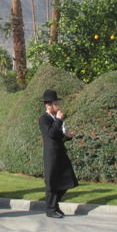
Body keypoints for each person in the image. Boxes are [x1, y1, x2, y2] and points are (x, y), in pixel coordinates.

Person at [39, 89, 78, 219]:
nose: (58, 106)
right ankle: (50, 209)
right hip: (51, 155)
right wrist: (59, 120)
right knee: (52, 182)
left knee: (67, 180)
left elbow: (58, 135)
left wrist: (67, 136)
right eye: (55, 104)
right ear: (48, 105)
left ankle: (55, 205)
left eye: (57, 103)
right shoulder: (44, 119)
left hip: (60, 153)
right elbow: (51, 134)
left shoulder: (56, 119)